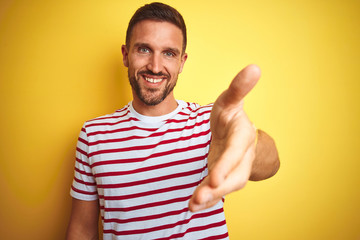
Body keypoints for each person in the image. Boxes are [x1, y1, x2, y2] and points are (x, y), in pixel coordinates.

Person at [66, 2, 280, 240]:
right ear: (126, 55)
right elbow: (81, 230)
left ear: (182, 62)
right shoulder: (94, 135)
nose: (155, 67)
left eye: (169, 53)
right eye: (144, 50)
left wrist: (248, 145)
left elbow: (271, 164)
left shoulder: (211, 123)